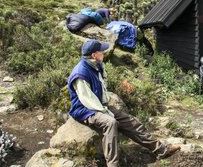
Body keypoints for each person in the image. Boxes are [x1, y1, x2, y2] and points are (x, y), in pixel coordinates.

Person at [67, 39, 180, 167]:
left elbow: (102, 87)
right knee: (110, 123)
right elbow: (87, 99)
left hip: (100, 106)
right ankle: (113, 165)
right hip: (85, 109)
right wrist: (106, 112)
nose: (104, 52)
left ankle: (161, 150)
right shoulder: (80, 73)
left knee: (131, 121)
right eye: (101, 51)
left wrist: (106, 106)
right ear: (94, 55)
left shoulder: (96, 65)